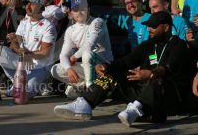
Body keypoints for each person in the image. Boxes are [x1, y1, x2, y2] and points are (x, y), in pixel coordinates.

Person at [54, 11, 195, 126]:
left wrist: (151, 73)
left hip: (168, 96)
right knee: (111, 74)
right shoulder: (148, 44)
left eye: (153, 26)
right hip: (143, 91)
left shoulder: (179, 45)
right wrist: (107, 67)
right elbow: (126, 61)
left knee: (156, 78)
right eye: (149, 26)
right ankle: (85, 104)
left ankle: (138, 110)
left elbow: (169, 69)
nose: (149, 29)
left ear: (166, 28)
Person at [51, 0, 113, 97]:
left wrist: (74, 57)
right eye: (76, 10)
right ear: (71, 13)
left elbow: (89, 45)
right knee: (55, 69)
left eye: (82, 9)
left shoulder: (98, 21)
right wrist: (68, 69)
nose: (79, 12)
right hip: (86, 66)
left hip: (103, 66)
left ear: (88, 10)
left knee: (87, 54)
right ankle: (91, 87)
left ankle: (91, 94)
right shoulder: (70, 30)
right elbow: (63, 55)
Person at [0, 0, 57, 98]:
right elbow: (14, 42)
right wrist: (21, 52)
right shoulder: (23, 23)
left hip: (41, 67)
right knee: (0, 51)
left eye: (32, 4)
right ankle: (17, 81)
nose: (28, 6)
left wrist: (28, 55)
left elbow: (45, 52)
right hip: (23, 63)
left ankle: (42, 83)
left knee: (23, 94)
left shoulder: (48, 26)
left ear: (41, 7)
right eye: (26, 3)